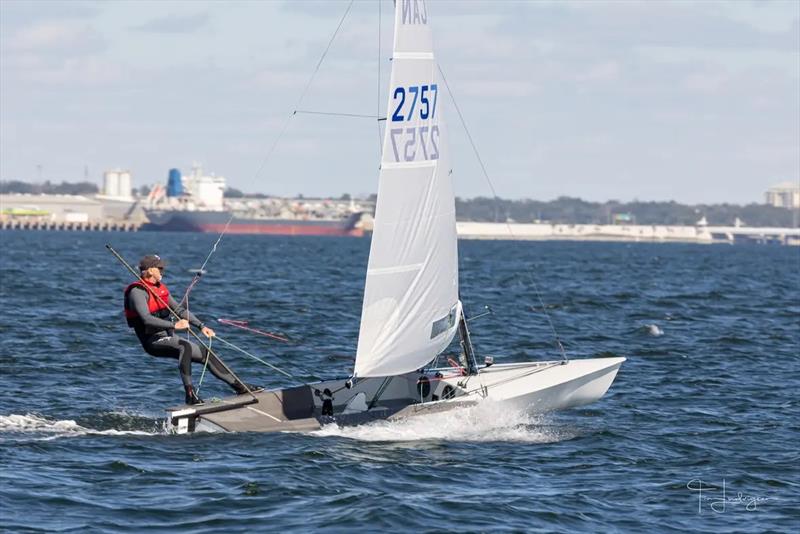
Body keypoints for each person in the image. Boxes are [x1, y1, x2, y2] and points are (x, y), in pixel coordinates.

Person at [124, 254, 259, 405]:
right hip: (153, 341)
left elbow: (180, 311)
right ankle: (190, 395)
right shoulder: (137, 292)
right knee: (185, 346)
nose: (163, 270)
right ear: (149, 271)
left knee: (206, 354)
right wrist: (174, 326)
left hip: (169, 338)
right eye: (160, 268)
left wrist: (201, 326)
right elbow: (146, 319)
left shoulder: (159, 289)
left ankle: (240, 387)